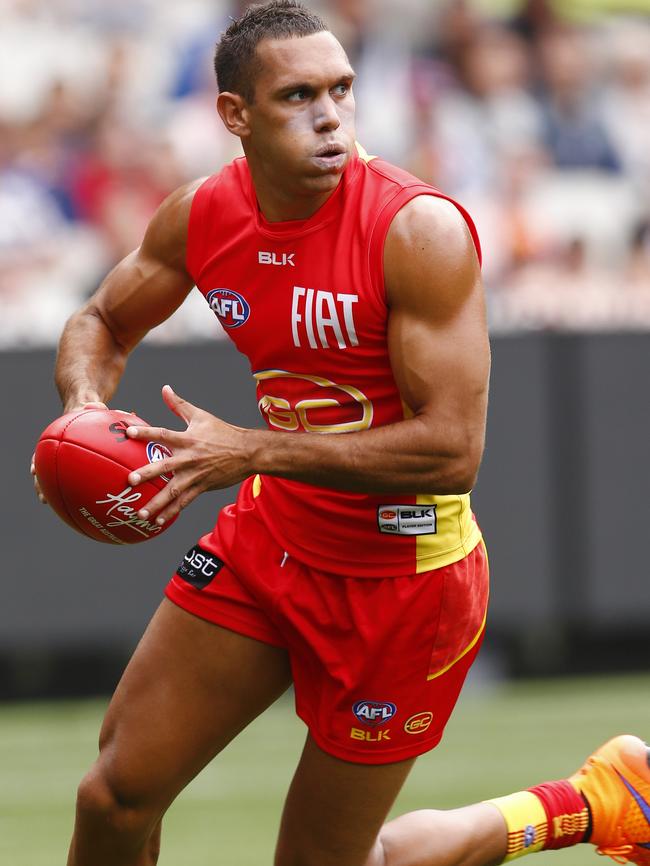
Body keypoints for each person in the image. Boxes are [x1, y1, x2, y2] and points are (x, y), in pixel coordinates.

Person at [31, 3, 649, 865]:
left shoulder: (416, 229)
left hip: (405, 582)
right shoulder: (204, 214)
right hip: (273, 542)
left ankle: (584, 806)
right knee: (113, 796)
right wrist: (82, 409)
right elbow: (101, 317)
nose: (331, 118)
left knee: (332, 860)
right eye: (298, 96)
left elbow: (451, 453)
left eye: (342, 91)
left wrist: (249, 451)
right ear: (234, 115)